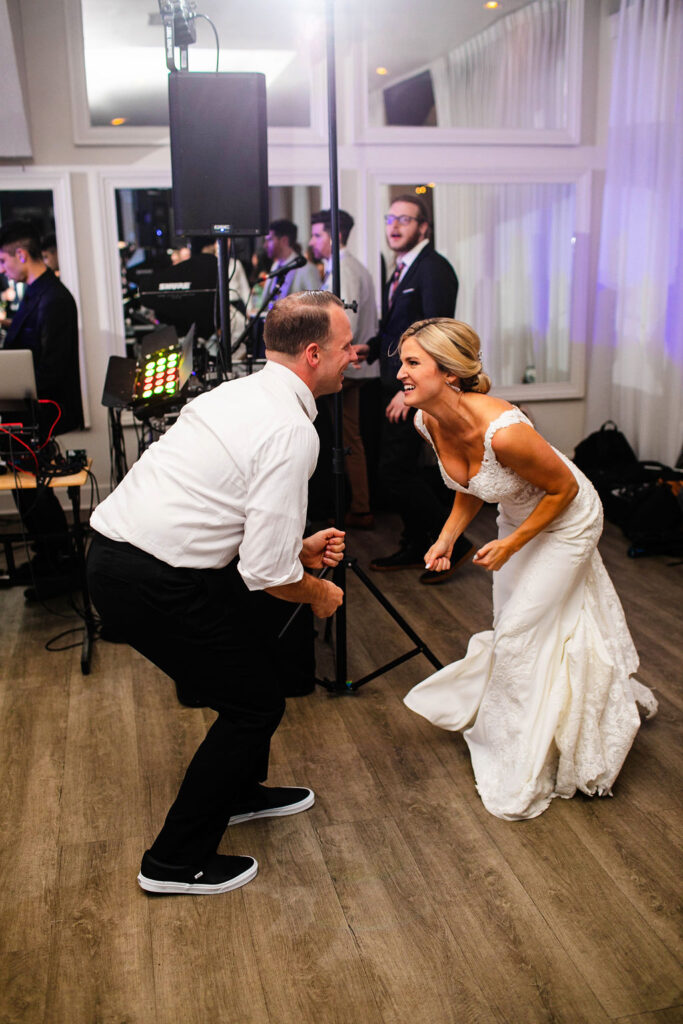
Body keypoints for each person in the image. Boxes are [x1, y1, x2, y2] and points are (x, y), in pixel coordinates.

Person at [87, 290, 356, 895]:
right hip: (148, 576)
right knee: (255, 702)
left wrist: (296, 550)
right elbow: (264, 572)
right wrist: (315, 591)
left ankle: (239, 792)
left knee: (253, 655)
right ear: (313, 354)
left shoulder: (238, 392)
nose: (353, 356)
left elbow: (227, 507)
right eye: (346, 347)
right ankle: (173, 863)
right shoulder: (290, 430)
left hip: (123, 554)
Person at [399, 318, 657, 820]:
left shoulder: (508, 431)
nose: (401, 374)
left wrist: (513, 544)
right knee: (526, 625)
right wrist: (445, 539)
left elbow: (566, 491)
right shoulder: (427, 420)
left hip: (567, 520)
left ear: (450, 374)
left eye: (412, 364)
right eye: (402, 363)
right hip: (516, 514)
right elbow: (471, 485)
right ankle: (579, 710)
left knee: (519, 633)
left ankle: (519, 754)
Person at [359, 195, 474, 582]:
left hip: (411, 391)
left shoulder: (433, 269)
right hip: (399, 385)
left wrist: (407, 391)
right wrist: (370, 348)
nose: (394, 226)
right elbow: (401, 329)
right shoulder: (403, 268)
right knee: (399, 469)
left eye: (404, 219)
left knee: (395, 473)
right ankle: (416, 543)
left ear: (423, 227)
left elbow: (434, 336)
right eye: (390, 218)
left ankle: (453, 541)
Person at [0, 220, 84, 595]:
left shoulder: (54, 298)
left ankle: (59, 564)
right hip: (28, 407)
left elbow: (51, 366)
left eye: (3, 260)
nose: (2, 268)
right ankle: (48, 555)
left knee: (33, 487)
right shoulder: (34, 293)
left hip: (45, 408)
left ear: (22, 254)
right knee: (28, 488)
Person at [309, 208, 378, 528]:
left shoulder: (344, 270)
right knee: (347, 438)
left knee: (348, 438)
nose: (312, 242)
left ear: (334, 236)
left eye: (317, 234)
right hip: (350, 367)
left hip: (347, 370)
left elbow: (343, 324)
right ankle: (357, 504)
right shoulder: (344, 267)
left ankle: (359, 507)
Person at [261, 219, 320, 306]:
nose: (265, 245)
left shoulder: (307, 269)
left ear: (284, 240)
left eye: (270, 240)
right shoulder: (275, 266)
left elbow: (317, 305)